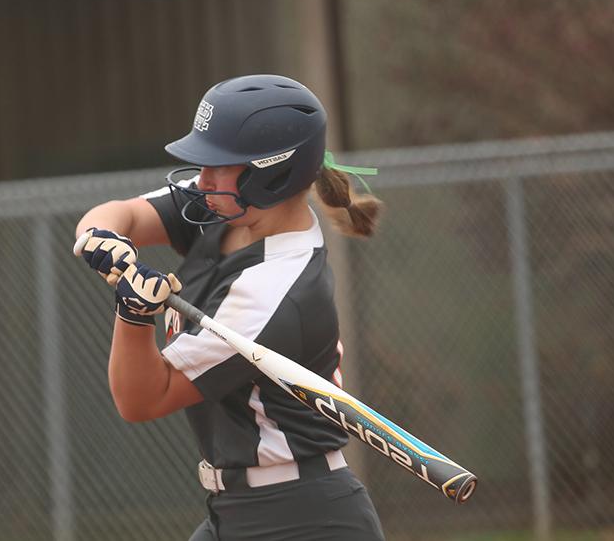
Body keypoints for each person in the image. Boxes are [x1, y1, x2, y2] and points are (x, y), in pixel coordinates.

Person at [75, 74, 386, 540]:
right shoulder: (226, 213)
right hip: (238, 512)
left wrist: (134, 316)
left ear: (271, 173)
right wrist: (103, 238)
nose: (202, 180)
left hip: (301, 521)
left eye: (219, 165)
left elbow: (141, 398)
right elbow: (125, 214)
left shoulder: (274, 286)